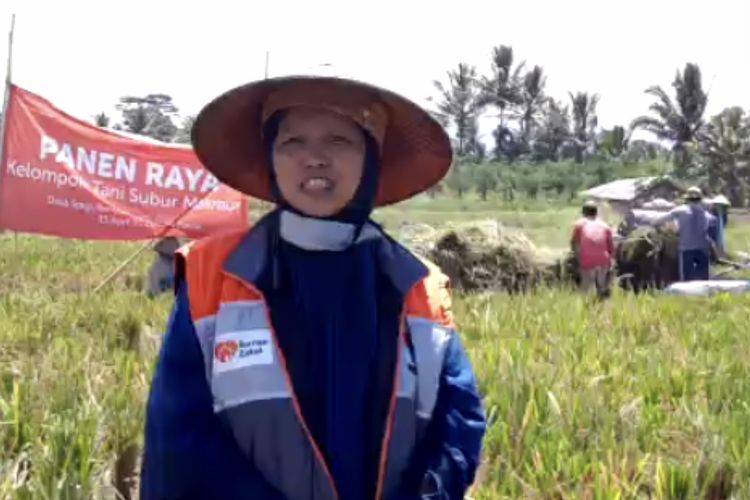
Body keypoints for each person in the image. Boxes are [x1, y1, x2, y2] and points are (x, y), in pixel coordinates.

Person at [140, 76, 487, 500]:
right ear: (270, 156)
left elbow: (459, 422)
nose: (315, 158)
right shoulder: (211, 278)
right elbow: (179, 439)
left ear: (370, 158)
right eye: (292, 142)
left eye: (339, 140)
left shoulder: (418, 286)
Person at [650, 186, 715, 281]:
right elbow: (713, 225)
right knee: (703, 277)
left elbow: (657, 221)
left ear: (687, 199)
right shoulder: (706, 214)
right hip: (703, 248)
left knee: (687, 278)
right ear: (700, 199)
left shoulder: (680, 210)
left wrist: (656, 226)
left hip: (686, 248)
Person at [571, 200, 615, 298]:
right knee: (602, 288)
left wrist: (576, 257)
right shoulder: (605, 225)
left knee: (586, 290)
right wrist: (611, 263)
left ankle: (587, 307)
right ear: (596, 212)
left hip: (587, 260)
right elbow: (611, 248)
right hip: (603, 260)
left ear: (584, 213)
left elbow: (574, 243)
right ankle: (603, 301)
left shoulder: (579, 224)